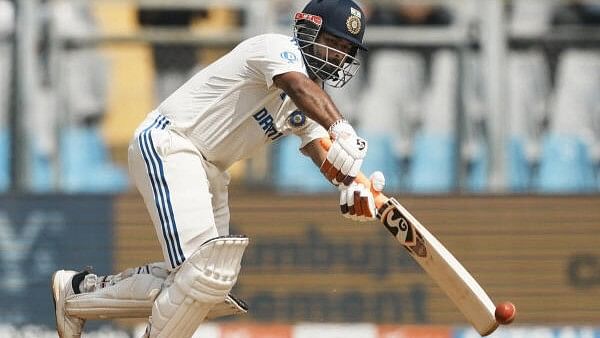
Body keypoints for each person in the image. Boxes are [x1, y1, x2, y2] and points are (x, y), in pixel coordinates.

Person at [51, 0, 384, 337]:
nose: (338, 56)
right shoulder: (276, 48)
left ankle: (79, 293)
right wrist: (342, 127)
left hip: (210, 172)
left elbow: (324, 153)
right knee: (202, 275)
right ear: (310, 30)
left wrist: (353, 184)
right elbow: (299, 88)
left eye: (345, 49)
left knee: (207, 284)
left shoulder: (309, 99)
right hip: (173, 144)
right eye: (333, 43)